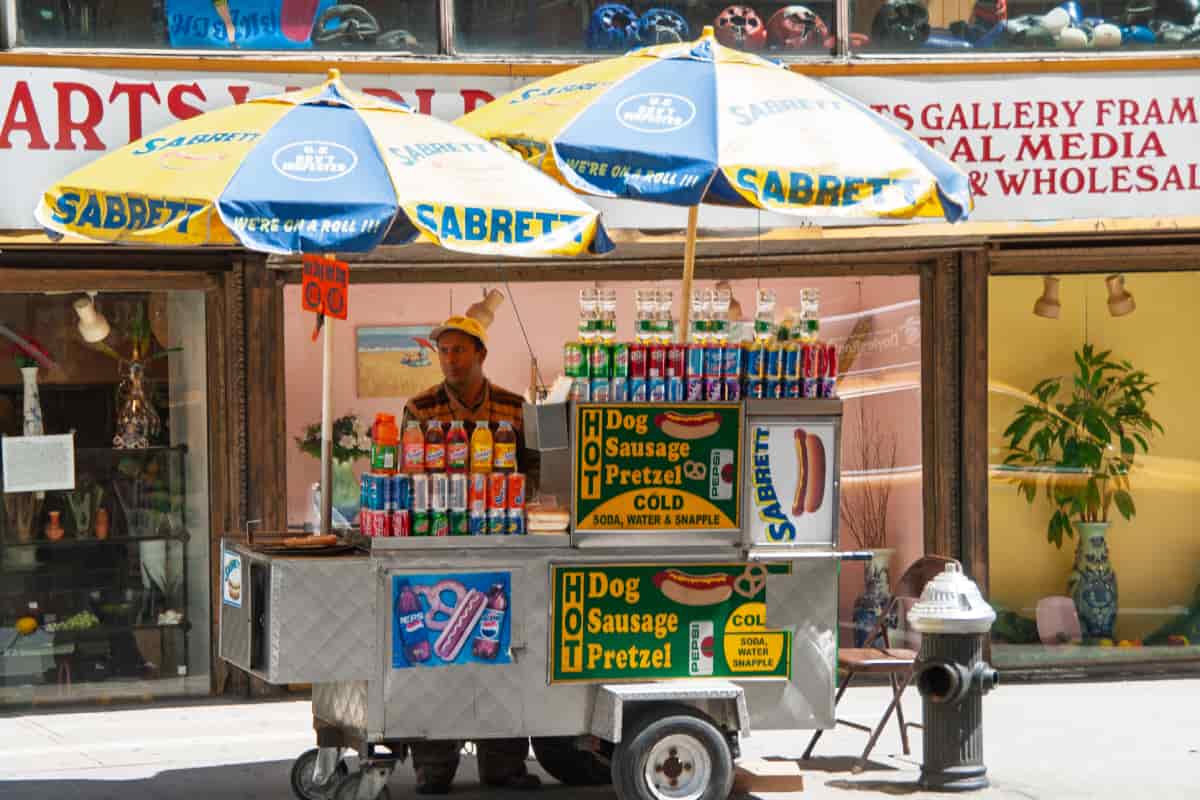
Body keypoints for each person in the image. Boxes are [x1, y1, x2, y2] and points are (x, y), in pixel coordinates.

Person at [401, 315, 540, 794]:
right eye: (444, 351)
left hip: (503, 543)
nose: (450, 359)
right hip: (439, 546)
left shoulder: (514, 407)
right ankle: (433, 766)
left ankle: (504, 765)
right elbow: (408, 472)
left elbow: (534, 468)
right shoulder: (420, 408)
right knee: (437, 657)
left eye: (459, 350)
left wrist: (518, 504)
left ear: (481, 353)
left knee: (502, 650)